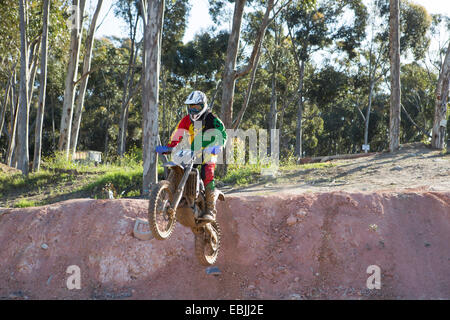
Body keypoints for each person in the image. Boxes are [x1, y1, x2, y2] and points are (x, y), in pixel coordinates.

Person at [156, 90, 227, 222]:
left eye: (197, 107)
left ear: (203, 105)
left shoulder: (212, 119)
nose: (194, 110)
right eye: (191, 107)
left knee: (207, 172)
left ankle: (210, 209)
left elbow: (222, 134)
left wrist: (219, 146)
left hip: (209, 151)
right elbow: (177, 134)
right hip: (194, 150)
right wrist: (169, 147)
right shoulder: (186, 120)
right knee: (176, 167)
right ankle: (165, 198)